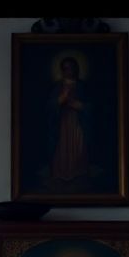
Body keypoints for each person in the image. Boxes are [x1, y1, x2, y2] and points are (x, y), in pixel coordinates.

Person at [47, 56, 90, 184]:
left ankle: (78, 171)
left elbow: (92, 105)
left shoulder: (82, 85)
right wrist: (61, 99)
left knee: (78, 144)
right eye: (66, 68)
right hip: (62, 122)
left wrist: (79, 105)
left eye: (71, 68)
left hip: (78, 121)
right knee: (62, 146)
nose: (69, 71)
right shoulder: (57, 86)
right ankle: (62, 172)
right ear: (62, 70)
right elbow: (49, 106)